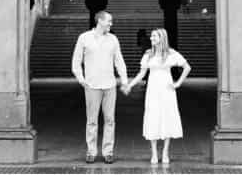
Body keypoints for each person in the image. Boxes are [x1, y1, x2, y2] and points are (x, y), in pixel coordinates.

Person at [125, 28, 192, 164]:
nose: (151, 39)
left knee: (168, 116)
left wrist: (178, 83)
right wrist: (130, 85)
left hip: (167, 90)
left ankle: (165, 152)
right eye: (151, 37)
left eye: (154, 37)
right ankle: (154, 153)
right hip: (153, 90)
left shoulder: (171, 53)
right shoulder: (148, 54)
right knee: (153, 117)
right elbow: (141, 74)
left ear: (161, 38)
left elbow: (187, 67)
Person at [71, 10, 128, 164]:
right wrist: (81, 79)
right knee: (92, 120)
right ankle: (91, 151)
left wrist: (124, 79)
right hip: (92, 85)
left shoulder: (113, 39)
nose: (111, 24)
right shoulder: (84, 38)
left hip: (110, 85)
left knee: (110, 120)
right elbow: (76, 60)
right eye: (109, 21)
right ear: (100, 21)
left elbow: (119, 61)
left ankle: (108, 152)